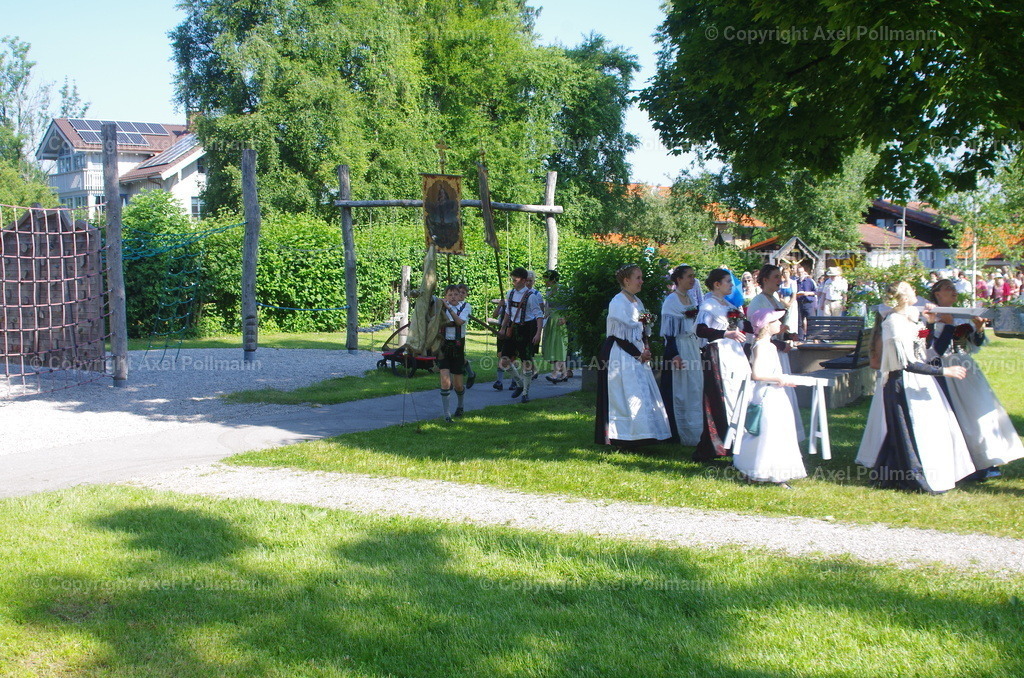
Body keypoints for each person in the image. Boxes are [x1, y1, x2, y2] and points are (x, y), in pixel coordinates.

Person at [856, 282, 974, 493]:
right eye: (911, 290)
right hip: (902, 382)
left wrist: (928, 325)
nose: (915, 293)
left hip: (917, 381)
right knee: (910, 431)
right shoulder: (893, 322)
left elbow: (922, 345)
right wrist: (944, 372)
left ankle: (891, 472)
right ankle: (915, 477)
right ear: (903, 297)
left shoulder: (908, 319)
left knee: (925, 429)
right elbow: (907, 363)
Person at [928, 279, 1024, 478]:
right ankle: (971, 462)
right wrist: (945, 325)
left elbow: (974, 343)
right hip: (946, 368)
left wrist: (978, 328)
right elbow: (934, 348)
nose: (954, 291)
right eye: (948, 288)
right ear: (937, 293)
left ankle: (988, 458)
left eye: (954, 288)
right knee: (964, 415)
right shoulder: (930, 317)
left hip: (967, 367)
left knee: (983, 411)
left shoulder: (961, 315)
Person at [594, 265, 672, 446]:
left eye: (641, 277)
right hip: (621, 354)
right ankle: (625, 437)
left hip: (637, 353)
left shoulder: (637, 301)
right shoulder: (618, 302)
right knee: (625, 393)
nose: (641, 281)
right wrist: (638, 354)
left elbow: (643, 328)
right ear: (626, 281)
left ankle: (644, 434)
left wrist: (646, 348)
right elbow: (618, 336)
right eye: (638, 278)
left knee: (640, 392)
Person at [733, 308, 807, 488]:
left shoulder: (767, 345)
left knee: (776, 431)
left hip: (773, 391)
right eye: (776, 322)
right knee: (769, 431)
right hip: (767, 393)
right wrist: (779, 378)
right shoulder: (763, 346)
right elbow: (756, 374)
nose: (780, 325)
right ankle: (763, 471)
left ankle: (772, 471)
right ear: (766, 325)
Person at [693, 268, 750, 461]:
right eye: (728, 282)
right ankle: (713, 445)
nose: (731, 286)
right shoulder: (708, 305)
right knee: (720, 397)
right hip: (718, 354)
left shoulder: (727, 304)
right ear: (717, 284)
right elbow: (701, 331)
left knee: (736, 395)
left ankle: (737, 441)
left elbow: (743, 326)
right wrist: (726, 334)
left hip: (733, 353)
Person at [746, 264, 804, 440]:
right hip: (767, 350)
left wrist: (787, 332)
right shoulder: (758, 301)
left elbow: (776, 325)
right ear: (765, 280)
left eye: (780, 276)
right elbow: (756, 331)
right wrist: (779, 343)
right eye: (776, 277)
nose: (780, 280)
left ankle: (786, 432)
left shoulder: (775, 299)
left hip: (777, 349)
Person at [659, 264, 703, 445]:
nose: (693, 280)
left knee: (695, 387)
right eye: (689, 276)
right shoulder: (672, 301)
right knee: (680, 390)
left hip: (692, 346)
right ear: (679, 279)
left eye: (693, 276)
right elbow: (669, 333)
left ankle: (697, 430)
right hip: (679, 348)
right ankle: (677, 431)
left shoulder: (690, 299)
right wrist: (674, 355)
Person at [499, 267, 543, 403]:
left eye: (515, 280)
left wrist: (538, 333)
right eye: (512, 279)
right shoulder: (510, 294)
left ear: (524, 280)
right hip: (513, 328)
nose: (513, 282)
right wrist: (502, 328)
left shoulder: (532, 296)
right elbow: (507, 313)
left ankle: (525, 392)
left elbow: (539, 316)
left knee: (526, 362)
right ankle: (519, 383)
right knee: (504, 361)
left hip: (526, 329)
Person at [437, 284, 471, 422]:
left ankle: (460, 405)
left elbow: (459, 321)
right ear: (445, 296)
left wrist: (449, 308)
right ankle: (446, 414)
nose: (453, 297)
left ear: (460, 295)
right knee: (445, 381)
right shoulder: (439, 308)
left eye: (456, 294)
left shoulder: (465, 307)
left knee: (458, 385)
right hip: (443, 345)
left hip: (457, 346)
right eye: (449, 295)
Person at [540, 270, 569, 382]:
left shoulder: (561, 289)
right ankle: (564, 373)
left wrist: (566, 318)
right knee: (553, 346)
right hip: (551, 320)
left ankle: (555, 373)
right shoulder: (550, 290)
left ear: (552, 279)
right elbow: (549, 307)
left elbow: (570, 305)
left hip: (560, 320)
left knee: (559, 346)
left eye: (546, 278)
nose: (544, 281)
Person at [794, 265, 817, 339]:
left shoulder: (809, 281)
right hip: (799, 303)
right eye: (799, 272)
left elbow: (816, 292)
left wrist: (807, 293)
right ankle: (801, 338)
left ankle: (812, 337)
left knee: (811, 321)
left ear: (804, 272)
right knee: (799, 322)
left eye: (801, 272)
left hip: (808, 302)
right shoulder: (796, 282)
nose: (800, 274)